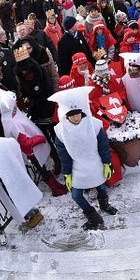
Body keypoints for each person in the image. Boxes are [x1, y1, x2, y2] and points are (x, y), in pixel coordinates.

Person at [50, 86, 118, 230]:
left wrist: (107, 163)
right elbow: (64, 155)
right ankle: (93, 216)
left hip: (95, 163)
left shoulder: (93, 125)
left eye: (78, 113)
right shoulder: (61, 131)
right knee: (76, 195)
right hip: (77, 167)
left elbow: (103, 145)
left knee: (101, 187)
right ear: (65, 114)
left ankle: (104, 204)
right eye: (71, 114)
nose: (76, 117)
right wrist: (67, 173)